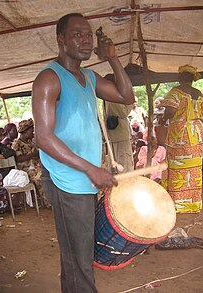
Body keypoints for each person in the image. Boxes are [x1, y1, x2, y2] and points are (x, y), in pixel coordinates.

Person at [32, 13, 134, 293]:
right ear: (61, 40)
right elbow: (43, 136)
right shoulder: (49, 79)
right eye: (77, 34)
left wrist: (112, 58)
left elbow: (127, 97)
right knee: (79, 258)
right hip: (67, 179)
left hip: (84, 180)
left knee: (78, 255)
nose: (85, 40)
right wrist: (90, 168)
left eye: (88, 35)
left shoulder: (89, 77)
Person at [161, 64, 203, 213]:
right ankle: (193, 203)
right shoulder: (199, 94)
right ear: (193, 79)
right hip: (197, 135)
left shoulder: (176, 91)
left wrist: (164, 117)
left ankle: (178, 204)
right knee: (194, 169)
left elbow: (170, 111)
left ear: (180, 77)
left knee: (178, 167)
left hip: (180, 136)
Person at [11, 119, 50, 208]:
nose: (33, 132)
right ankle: (47, 202)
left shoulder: (31, 142)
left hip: (35, 166)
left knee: (49, 173)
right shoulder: (17, 143)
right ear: (24, 132)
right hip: (25, 169)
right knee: (40, 177)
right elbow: (17, 158)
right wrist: (33, 154)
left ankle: (52, 199)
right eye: (31, 130)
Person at [105, 101, 134, 173]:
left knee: (122, 171)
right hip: (116, 136)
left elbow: (123, 112)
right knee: (123, 170)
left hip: (117, 135)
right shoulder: (112, 94)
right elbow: (123, 112)